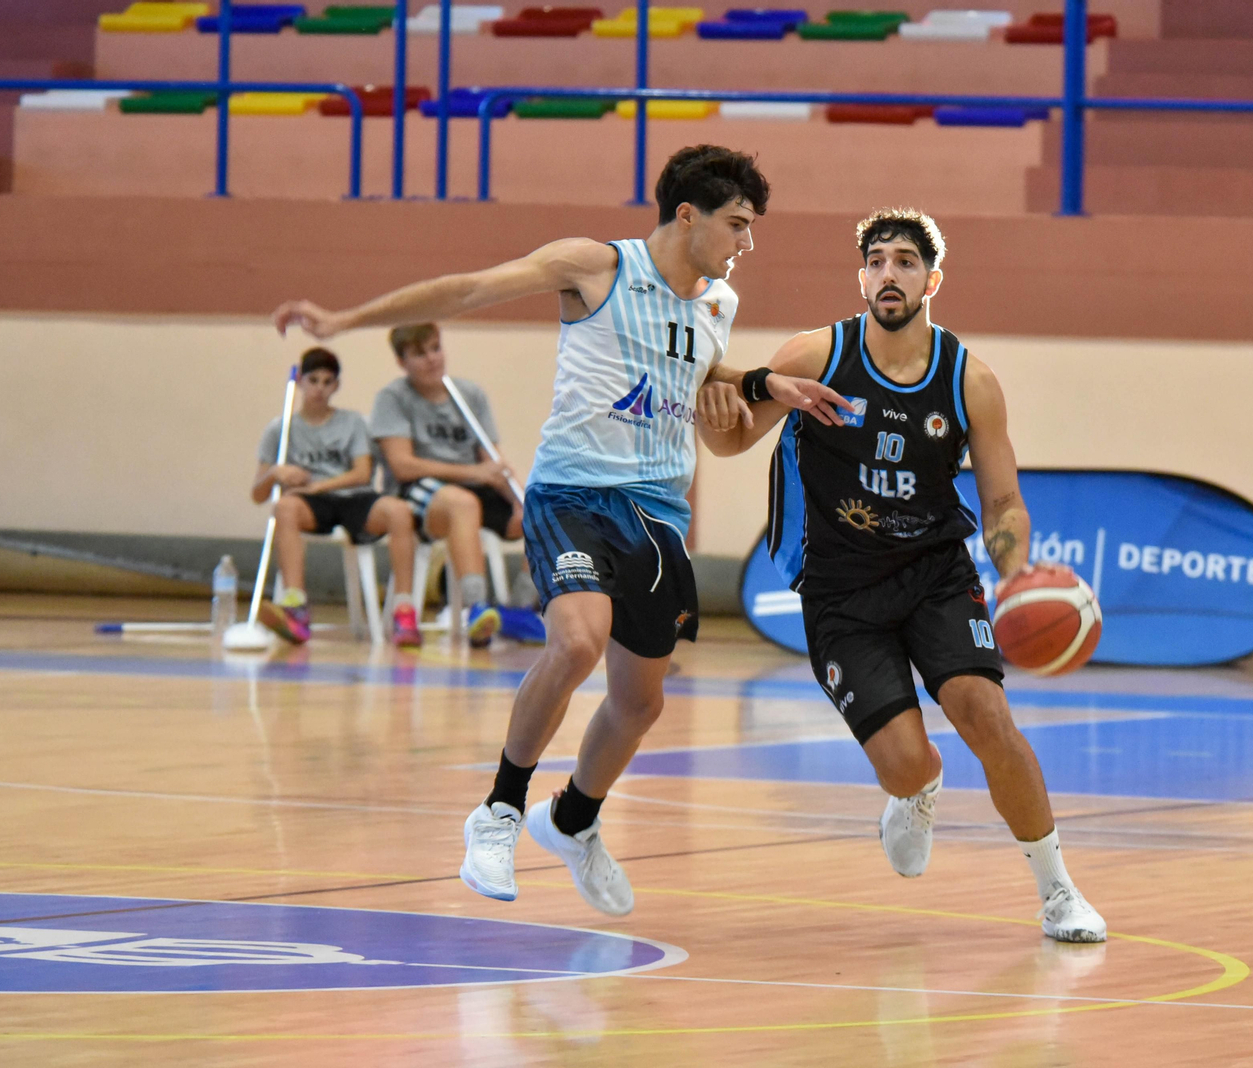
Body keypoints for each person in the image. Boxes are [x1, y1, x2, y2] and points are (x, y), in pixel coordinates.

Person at [271, 145, 848, 915]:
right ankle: (501, 808)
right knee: (576, 640)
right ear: (688, 215)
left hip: (657, 512)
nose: (748, 243)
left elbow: (697, 371)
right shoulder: (595, 266)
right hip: (572, 491)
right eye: (738, 224)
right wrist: (344, 320)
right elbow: (471, 288)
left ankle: (574, 820)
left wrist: (762, 384)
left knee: (641, 704)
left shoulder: (716, 305)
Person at [695, 208, 1107, 943]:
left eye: (906, 261)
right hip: (840, 590)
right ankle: (916, 793)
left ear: (932, 279)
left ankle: (1058, 891)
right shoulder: (815, 355)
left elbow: (1003, 499)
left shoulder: (969, 379)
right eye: (877, 260)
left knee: (987, 717)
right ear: (861, 279)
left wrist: (1015, 570)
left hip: (935, 573)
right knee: (907, 762)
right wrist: (715, 402)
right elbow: (729, 444)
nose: (890, 272)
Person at [367, 322, 541, 648]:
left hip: (471, 483)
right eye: (420, 354)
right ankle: (476, 608)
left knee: (542, 509)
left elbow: (491, 461)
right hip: (418, 492)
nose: (432, 359)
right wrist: (474, 472)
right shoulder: (392, 398)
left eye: (436, 348)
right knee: (463, 503)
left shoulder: (469, 395)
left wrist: (520, 500)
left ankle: (519, 609)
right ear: (401, 362)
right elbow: (402, 466)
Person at [251, 346, 423, 648]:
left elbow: (361, 472)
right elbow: (258, 493)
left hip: (353, 497)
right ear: (300, 381)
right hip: (310, 505)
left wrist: (318, 485)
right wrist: (275, 473)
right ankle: (296, 606)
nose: (319, 388)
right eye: (313, 380)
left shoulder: (353, 422)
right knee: (284, 507)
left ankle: (404, 610)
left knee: (398, 511)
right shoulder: (279, 430)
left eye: (327, 381)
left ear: (336, 386)